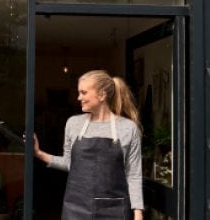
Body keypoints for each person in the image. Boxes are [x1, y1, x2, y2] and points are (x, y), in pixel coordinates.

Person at [33, 70, 144, 220]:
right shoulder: (73, 124)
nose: (79, 98)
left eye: (84, 93)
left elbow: (134, 174)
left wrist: (138, 213)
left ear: (102, 95)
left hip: (114, 210)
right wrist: (39, 153)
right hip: (76, 208)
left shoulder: (128, 128)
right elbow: (68, 163)